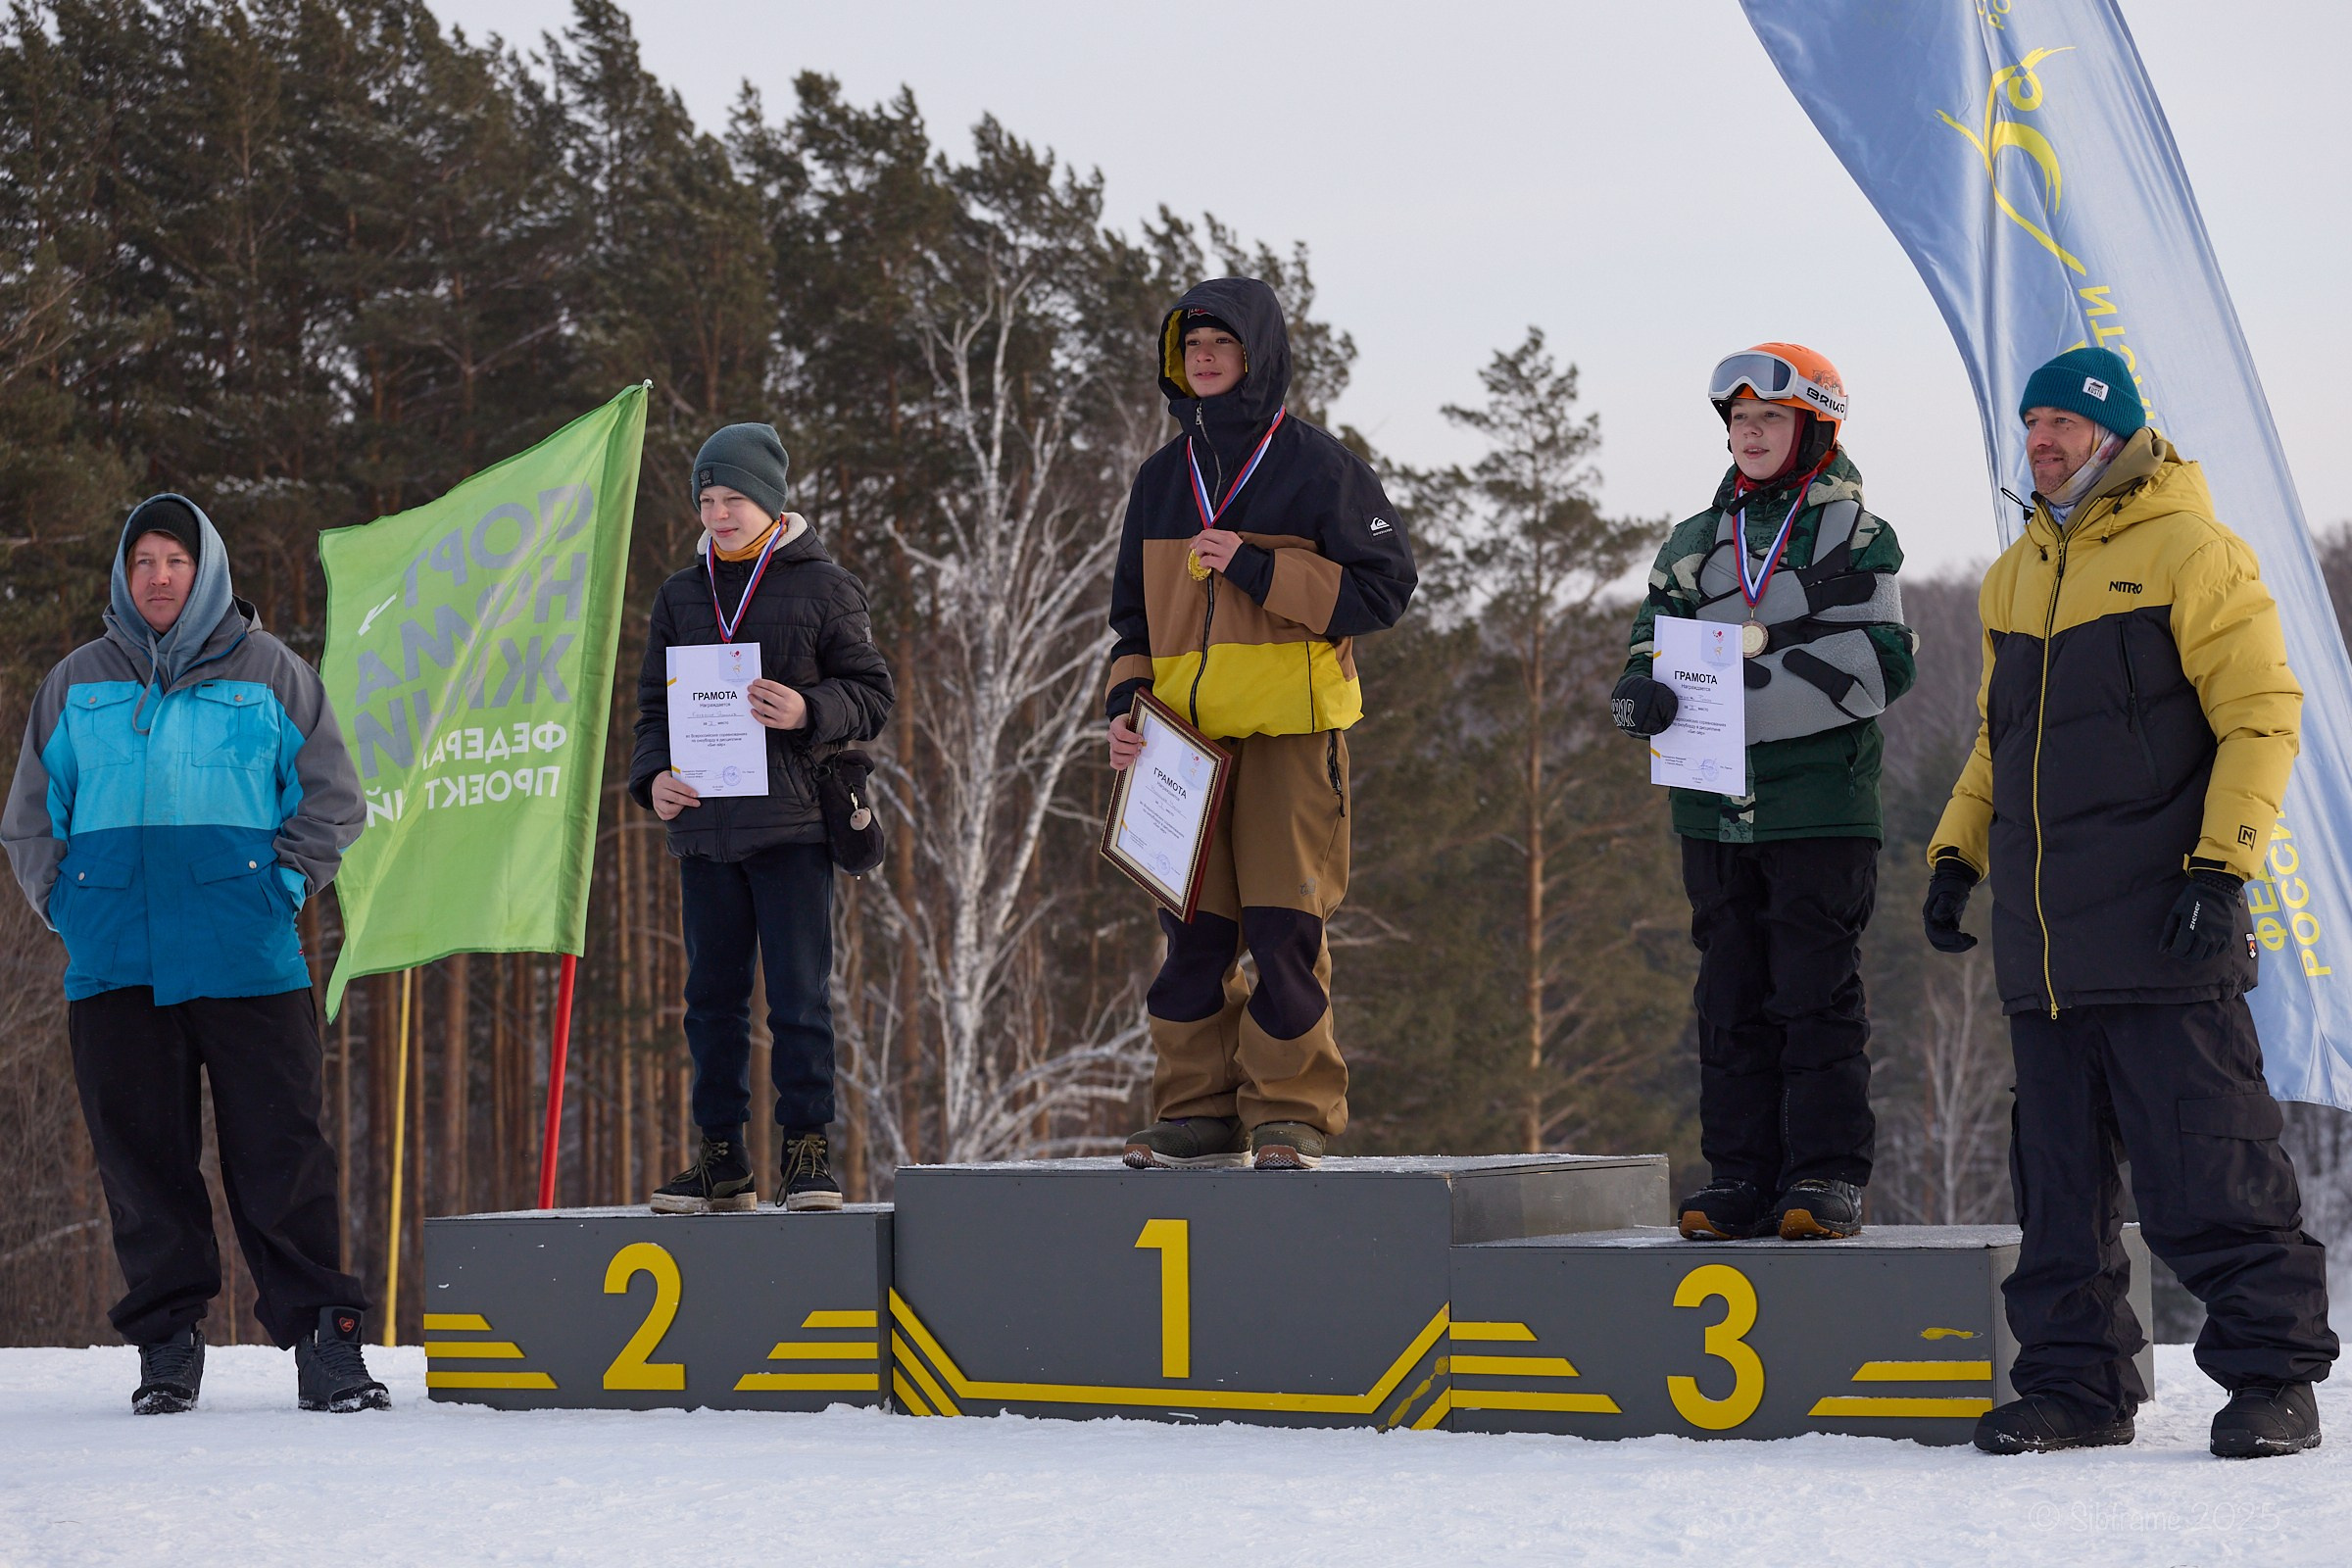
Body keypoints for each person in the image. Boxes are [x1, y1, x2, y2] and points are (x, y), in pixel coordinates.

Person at [1923, 345, 2337, 1458]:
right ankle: (2077, 1386)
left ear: (2112, 432)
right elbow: (1993, 741)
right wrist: (1957, 851)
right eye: (2031, 423)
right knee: (2057, 1192)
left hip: (2165, 922)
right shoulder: (2016, 572)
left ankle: (2271, 1379)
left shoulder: (2193, 550)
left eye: (2061, 421)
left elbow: (2262, 715)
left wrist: (2221, 868)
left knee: (2209, 1162)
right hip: (2048, 947)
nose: (2041, 440)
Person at [2, 495, 383, 1415]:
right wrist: (70, 908)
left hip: (248, 960)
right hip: (115, 967)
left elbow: (333, 801)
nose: (159, 577)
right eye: (144, 563)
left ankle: (324, 1345)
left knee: (281, 1153)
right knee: (142, 1162)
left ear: (205, 569)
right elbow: (29, 820)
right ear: (123, 579)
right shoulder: (76, 683)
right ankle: (167, 1346)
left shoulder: (273, 675)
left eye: (175, 560)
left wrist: (278, 891)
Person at [1106, 278, 1416, 1172]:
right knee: (1192, 937)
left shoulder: (1321, 467)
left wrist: (1253, 566)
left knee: (1285, 930)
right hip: (1180, 748)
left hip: (1288, 737)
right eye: (1190, 344)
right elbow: (1132, 621)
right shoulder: (1162, 478)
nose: (1203, 357)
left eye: (1221, 344)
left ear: (1260, 357)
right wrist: (1125, 711)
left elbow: (1384, 590)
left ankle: (1291, 1110)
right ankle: (1195, 1111)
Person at [1611, 344, 1915, 1242]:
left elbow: (1882, 662)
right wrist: (1640, 691)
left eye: (1769, 419)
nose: (1749, 433)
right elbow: (1647, 639)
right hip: (1711, 808)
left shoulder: (1855, 533)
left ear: (1814, 427)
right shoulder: (1696, 541)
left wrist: (1736, 693)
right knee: (1729, 996)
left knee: (1812, 993)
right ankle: (1740, 1174)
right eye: (1739, 420)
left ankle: (1824, 1176)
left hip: (1818, 807)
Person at [629, 423, 894, 1213]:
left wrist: (807, 706)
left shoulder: (825, 586)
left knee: (798, 999)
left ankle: (807, 1155)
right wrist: (652, 781)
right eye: (707, 500)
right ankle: (722, 1161)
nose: (718, 514)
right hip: (705, 828)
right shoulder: (681, 594)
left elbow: (873, 695)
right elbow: (651, 710)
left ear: (771, 503)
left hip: (794, 829)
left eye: (733, 499)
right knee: (709, 1001)